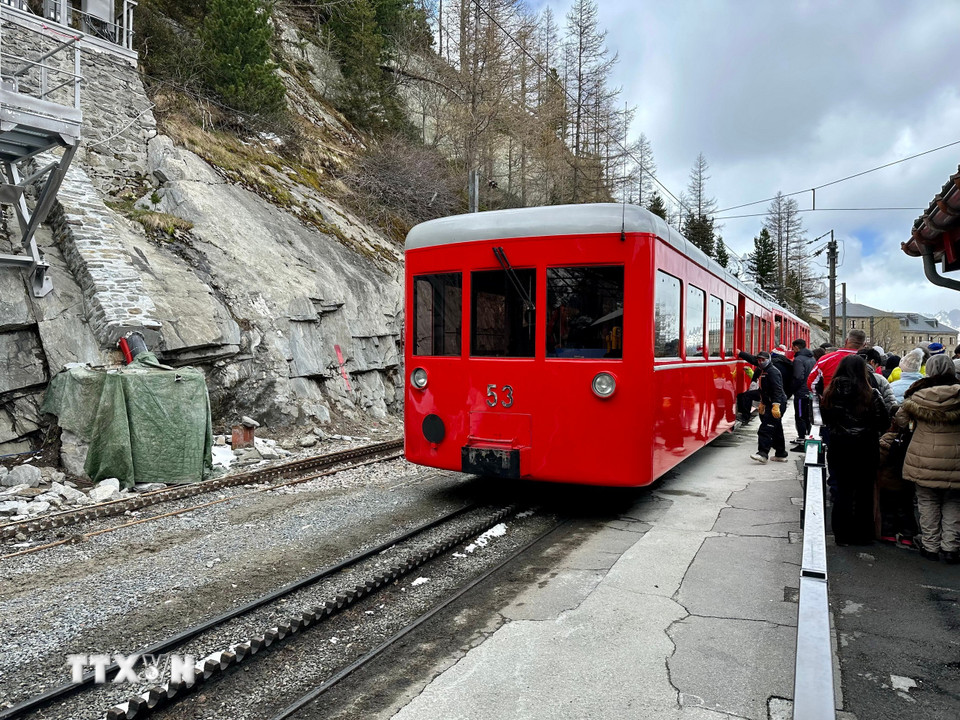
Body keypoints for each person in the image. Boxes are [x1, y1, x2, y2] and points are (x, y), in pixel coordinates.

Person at [895, 354, 960, 563]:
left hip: (923, 457)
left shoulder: (918, 395)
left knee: (927, 500)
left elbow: (901, 420)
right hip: (956, 458)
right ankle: (950, 547)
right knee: (953, 501)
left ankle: (930, 545)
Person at [820, 355, 889, 545]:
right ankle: (863, 534)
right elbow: (884, 421)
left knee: (843, 491)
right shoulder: (871, 394)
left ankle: (842, 534)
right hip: (866, 448)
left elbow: (825, 420)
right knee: (864, 492)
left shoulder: (830, 393)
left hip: (840, 448)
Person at [738, 350, 788, 464]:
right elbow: (763, 390)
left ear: (768, 360)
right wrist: (763, 402)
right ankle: (781, 454)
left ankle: (763, 454)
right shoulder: (764, 371)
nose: (760, 362)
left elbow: (777, 390)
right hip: (771, 403)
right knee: (776, 429)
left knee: (765, 429)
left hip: (777, 403)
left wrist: (776, 405)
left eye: (763, 360)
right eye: (759, 360)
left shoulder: (772, 372)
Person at [807, 329, 866, 396]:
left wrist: (823, 396)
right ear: (864, 344)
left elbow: (811, 383)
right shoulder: (867, 361)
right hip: (860, 403)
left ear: (846, 341)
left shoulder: (825, 359)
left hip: (830, 402)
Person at [790, 339, 816, 447]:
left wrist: (792, 389)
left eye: (793, 348)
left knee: (800, 416)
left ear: (796, 347)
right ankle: (808, 437)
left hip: (801, 392)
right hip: (809, 391)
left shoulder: (798, 360)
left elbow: (798, 377)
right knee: (807, 416)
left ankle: (801, 438)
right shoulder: (812, 358)